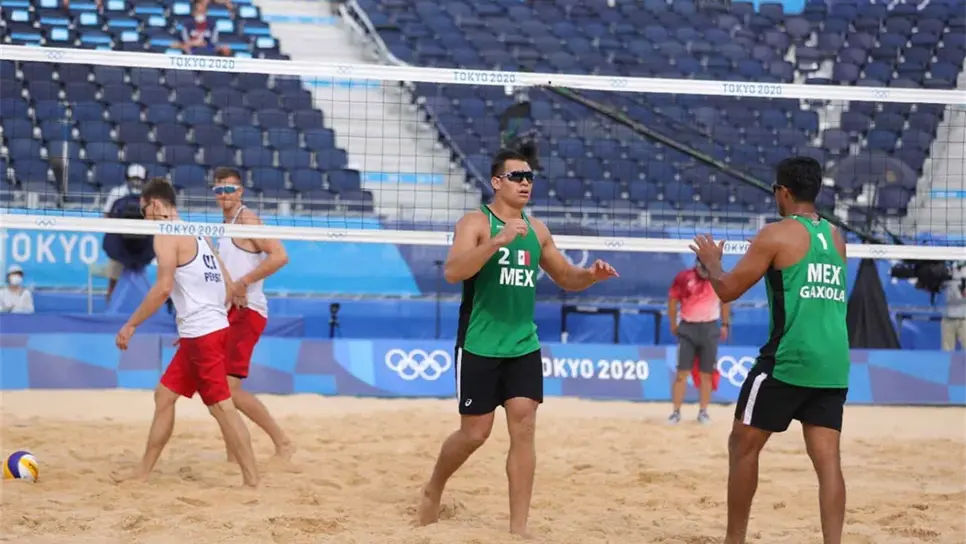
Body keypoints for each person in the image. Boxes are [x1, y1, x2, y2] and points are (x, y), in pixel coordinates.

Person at [417, 149, 619, 536]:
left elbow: (566, 277)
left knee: (524, 429)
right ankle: (434, 486)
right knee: (475, 434)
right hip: (479, 341)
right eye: (517, 176)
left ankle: (518, 528)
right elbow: (453, 272)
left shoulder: (537, 229)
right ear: (497, 182)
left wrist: (590, 276)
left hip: (523, 343)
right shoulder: (475, 222)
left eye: (530, 176)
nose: (526, 182)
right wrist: (499, 240)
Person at [690, 156, 849, 544]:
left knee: (742, 444)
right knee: (827, 460)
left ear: (785, 192)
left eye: (775, 190)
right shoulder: (837, 236)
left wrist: (712, 264)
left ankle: (735, 539)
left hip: (789, 358)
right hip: (833, 361)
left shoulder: (775, 234)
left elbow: (727, 290)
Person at [113, 178, 259, 487]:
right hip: (204, 330)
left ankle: (252, 480)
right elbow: (228, 285)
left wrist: (131, 324)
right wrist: (197, 322)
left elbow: (163, 288)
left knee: (221, 406)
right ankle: (142, 473)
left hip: (204, 333)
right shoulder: (199, 233)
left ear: (154, 205)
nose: (145, 219)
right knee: (164, 395)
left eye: (144, 211)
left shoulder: (166, 234)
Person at [212, 167, 295, 460]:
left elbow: (281, 255)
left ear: (241, 191)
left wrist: (244, 283)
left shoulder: (246, 219)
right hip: (227, 313)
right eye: (219, 190)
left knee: (229, 390)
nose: (224, 195)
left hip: (247, 312)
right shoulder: (224, 226)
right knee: (217, 390)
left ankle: (282, 441)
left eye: (229, 189)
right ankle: (234, 453)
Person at [668, 261, 731, 424]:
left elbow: (726, 300)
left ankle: (703, 412)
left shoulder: (719, 277)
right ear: (697, 264)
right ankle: (676, 412)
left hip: (709, 328)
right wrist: (673, 323)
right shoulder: (684, 277)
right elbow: (673, 300)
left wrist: (725, 324)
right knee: (682, 373)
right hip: (688, 328)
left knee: (706, 374)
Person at [101, 164, 147, 302]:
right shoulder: (117, 192)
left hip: (141, 241)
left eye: (139, 179)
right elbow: (106, 214)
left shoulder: (147, 196)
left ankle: (143, 300)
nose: (136, 182)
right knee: (116, 259)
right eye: (133, 178)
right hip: (120, 239)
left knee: (140, 268)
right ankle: (111, 295)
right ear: (128, 178)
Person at [940, 267, 966, 351]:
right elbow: (939, 286)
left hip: (964, 318)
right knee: (947, 350)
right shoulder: (947, 270)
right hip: (948, 317)